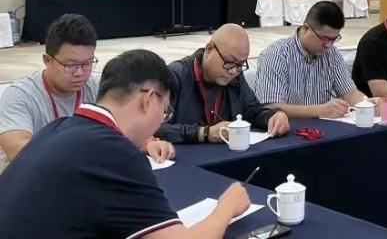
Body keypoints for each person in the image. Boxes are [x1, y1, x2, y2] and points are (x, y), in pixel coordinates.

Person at [0, 49, 251, 238]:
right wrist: (226, 208)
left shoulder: (55, 129)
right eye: (165, 111)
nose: (161, 120)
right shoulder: (116, 152)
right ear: (149, 99)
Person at [0, 14, 173, 170]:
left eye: (87, 63)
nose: (79, 73)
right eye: (70, 65)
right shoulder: (19, 95)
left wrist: (148, 142)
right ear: (47, 60)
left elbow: (126, 123)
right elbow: (18, 151)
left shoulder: (99, 86)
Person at [157, 24, 290, 144]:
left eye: (240, 64)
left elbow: (252, 110)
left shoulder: (235, 76)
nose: (233, 71)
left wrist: (273, 116)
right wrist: (204, 133)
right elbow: (154, 127)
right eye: (229, 62)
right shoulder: (175, 76)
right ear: (209, 50)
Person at [254, 1, 376, 119]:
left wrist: (368, 104)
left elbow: (349, 93)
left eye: (334, 39)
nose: (328, 45)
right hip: (288, 129)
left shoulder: (332, 54)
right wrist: (320, 110)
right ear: (305, 28)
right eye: (324, 38)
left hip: (324, 128)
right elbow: (270, 107)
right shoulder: (276, 55)